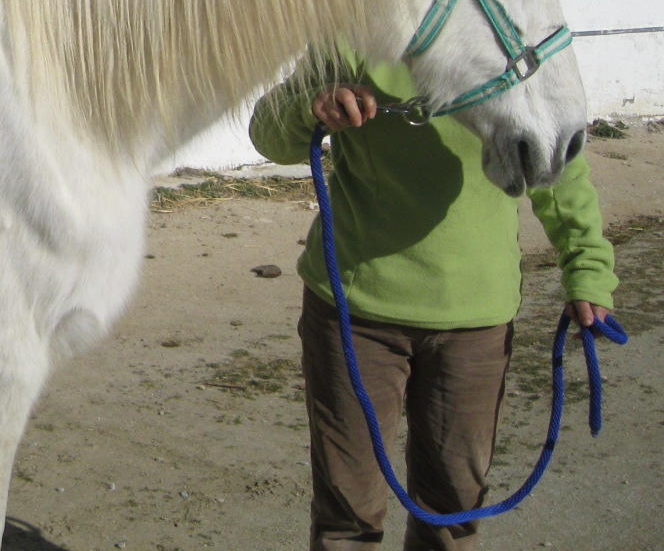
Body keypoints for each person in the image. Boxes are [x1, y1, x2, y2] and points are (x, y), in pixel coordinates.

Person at [248, 55, 617, 551]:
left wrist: (587, 265)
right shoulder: (356, 32)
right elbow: (268, 136)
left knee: (453, 510)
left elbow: (561, 163)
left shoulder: (515, 35)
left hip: (475, 319)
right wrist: (310, 106)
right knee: (347, 515)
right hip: (356, 315)